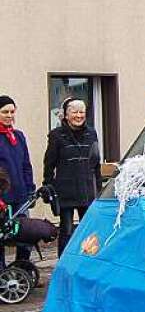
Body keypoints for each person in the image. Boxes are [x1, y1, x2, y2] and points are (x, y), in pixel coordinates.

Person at [42, 99, 102, 258]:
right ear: (66, 115)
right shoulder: (56, 135)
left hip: (87, 189)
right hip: (66, 190)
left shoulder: (91, 133)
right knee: (67, 230)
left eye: (82, 112)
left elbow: (96, 163)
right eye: (74, 112)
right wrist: (47, 186)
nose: (79, 115)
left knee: (88, 229)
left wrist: (99, 189)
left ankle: (87, 261)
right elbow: (49, 163)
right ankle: (64, 262)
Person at [0, 95, 35, 261]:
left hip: (20, 196)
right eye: (4, 112)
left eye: (12, 112)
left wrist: (30, 190)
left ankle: (22, 267)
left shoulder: (18, 136)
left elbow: (26, 165)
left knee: (25, 235)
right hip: (2, 197)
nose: (9, 115)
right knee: (2, 236)